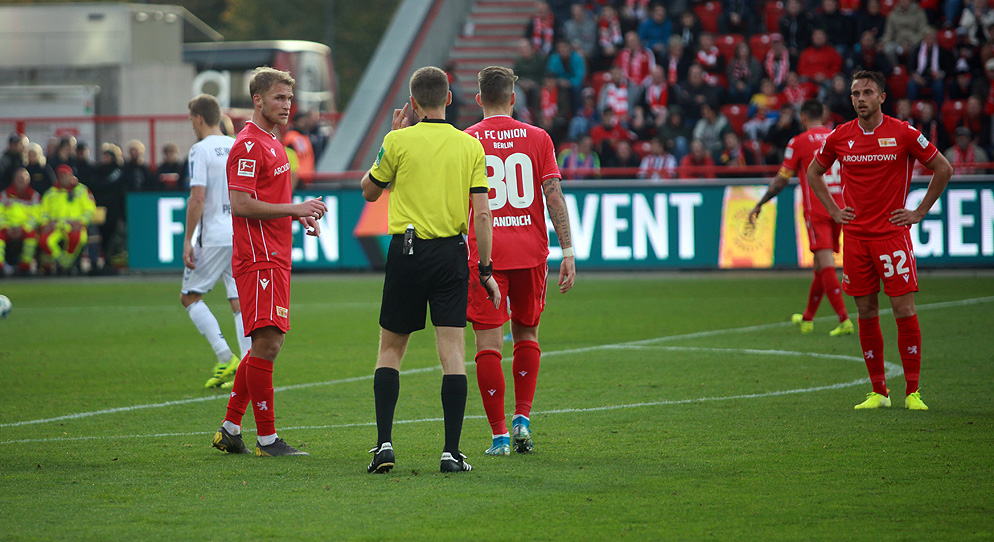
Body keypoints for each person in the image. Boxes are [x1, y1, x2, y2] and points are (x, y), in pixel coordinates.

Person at [360, 66, 500, 474]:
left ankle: (385, 446)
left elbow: (369, 191)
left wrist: (389, 141)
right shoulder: (469, 145)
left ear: (413, 102)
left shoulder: (398, 140)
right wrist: (486, 269)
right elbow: (483, 215)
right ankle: (451, 453)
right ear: (449, 98)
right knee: (452, 352)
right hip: (450, 254)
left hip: (406, 251)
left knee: (390, 350)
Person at [807, 70, 953, 411]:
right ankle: (879, 392)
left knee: (903, 309)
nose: (860, 98)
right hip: (856, 238)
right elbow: (814, 171)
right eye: (856, 93)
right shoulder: (840, 136)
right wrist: (834, 210)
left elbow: (944, 168)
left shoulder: (903, 132)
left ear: (882, 97)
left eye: (868, 92)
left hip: (891, 237)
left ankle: (913, 391)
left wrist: (919, 212)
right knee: (866, 310)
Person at [210, 67, 327, 457]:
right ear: (257, 100)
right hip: (259, 258)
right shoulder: (248, 145)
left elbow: (268, 198)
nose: (287, 105)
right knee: (269, 342)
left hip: (275, 255)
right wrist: (295, 208)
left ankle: (230, 428)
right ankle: (267, 439)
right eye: (279, 97)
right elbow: (241, 204)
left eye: (289, 98)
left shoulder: (273, 141)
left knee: (265, 343)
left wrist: (296, 216)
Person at [464, 66, 575, 456]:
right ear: (513, 98)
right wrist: (568, 251)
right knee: (527, 335)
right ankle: (522, 420)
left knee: (488, 345)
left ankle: (499, 437)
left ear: (479, 99)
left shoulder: (467, 140)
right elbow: (553, 195)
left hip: (486, 255)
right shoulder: (539, 137)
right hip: (531, 252)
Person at [749, 100, 852, 337]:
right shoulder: (838, 137)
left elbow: (781, 180)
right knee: (820, 265)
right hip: (842, 207)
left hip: (818, 209)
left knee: (826, 262)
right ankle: (807, 318)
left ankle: (844, 319)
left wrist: (760, 203)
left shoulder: (799, 142)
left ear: (803, 117)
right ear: (823, 115)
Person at [182, 94, 251, 390]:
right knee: (238, 302)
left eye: (191, 120)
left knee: (190, 296)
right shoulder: (237, 145)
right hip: (238, 232)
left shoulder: (200, 150)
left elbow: (197, 197)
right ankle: (248, 368)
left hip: (211, 236)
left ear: (198, 118)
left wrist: (188, 240)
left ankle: (225, 357)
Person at [38, 164, 95, 274]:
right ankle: (65, 263)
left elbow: (90, 209)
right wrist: (45, 224)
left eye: (65, 175)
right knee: (44, 241)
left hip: (75, 225)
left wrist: (81, 222)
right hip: (55, 226)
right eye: (60, 175)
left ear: (71, 175)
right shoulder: (51, 192)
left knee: (77, 238)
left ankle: (64, 265)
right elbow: (43, 211)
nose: (62, 177)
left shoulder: (81, 190)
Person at [0, 168, 40, 275]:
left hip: (24, 228)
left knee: (32, 236)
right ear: (13, 179)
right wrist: (5, 227)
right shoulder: (4, 195)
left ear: (28, 180)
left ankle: (25, 267)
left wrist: (23, 229)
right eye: (18, 178)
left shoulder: (34, 196)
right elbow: (0, 213)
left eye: (24, 178)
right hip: (7, 228)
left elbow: (35, 216)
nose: (21, 180)